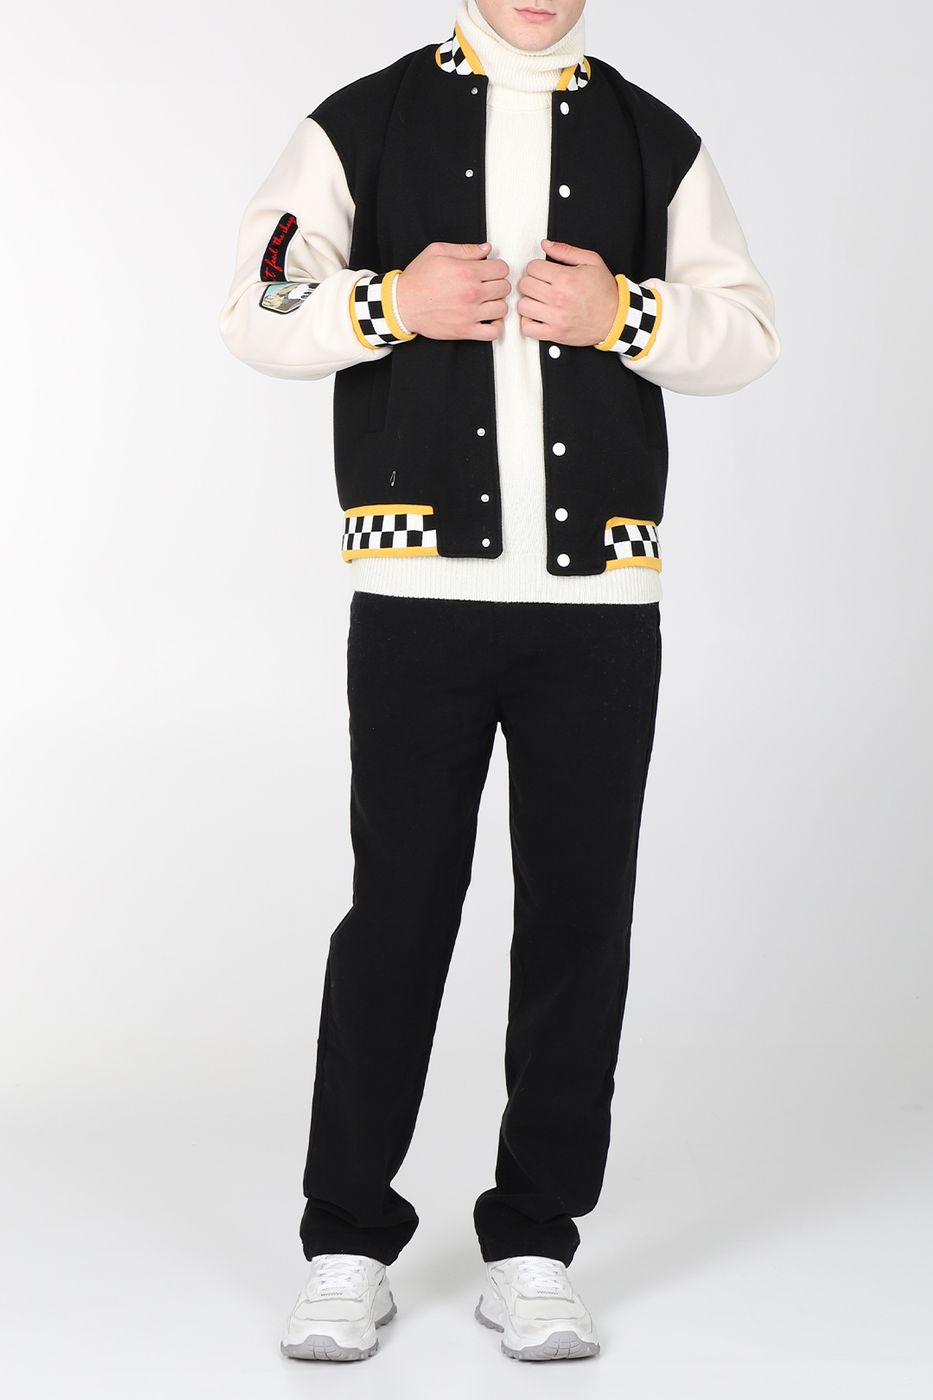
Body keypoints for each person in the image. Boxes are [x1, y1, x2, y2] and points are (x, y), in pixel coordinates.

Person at [218, 0, 780, 1365]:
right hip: (419, 600)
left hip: (599, 611)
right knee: (398, 916)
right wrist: (390, 304)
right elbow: (258, 302)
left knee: (579, 922)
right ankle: (347, 1241)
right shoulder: (361, 123)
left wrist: (626, 312)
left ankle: (534, 1242)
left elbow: (747, 328)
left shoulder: (653, 139)